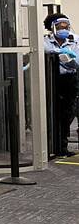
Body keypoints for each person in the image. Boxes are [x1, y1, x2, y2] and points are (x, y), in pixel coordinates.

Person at [45, 15, 78, 157]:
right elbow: (44, 50)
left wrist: (70, 58)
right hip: (52, 80)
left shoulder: (74, 40)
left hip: (69, 79)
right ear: (52, 27)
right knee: (52, 113)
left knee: (67, 114)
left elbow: (77, 60)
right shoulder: (46, 41)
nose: (63, 29)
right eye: (60, 27)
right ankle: (50, 146)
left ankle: (62, 146)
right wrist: (60, 51)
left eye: (66, 26)